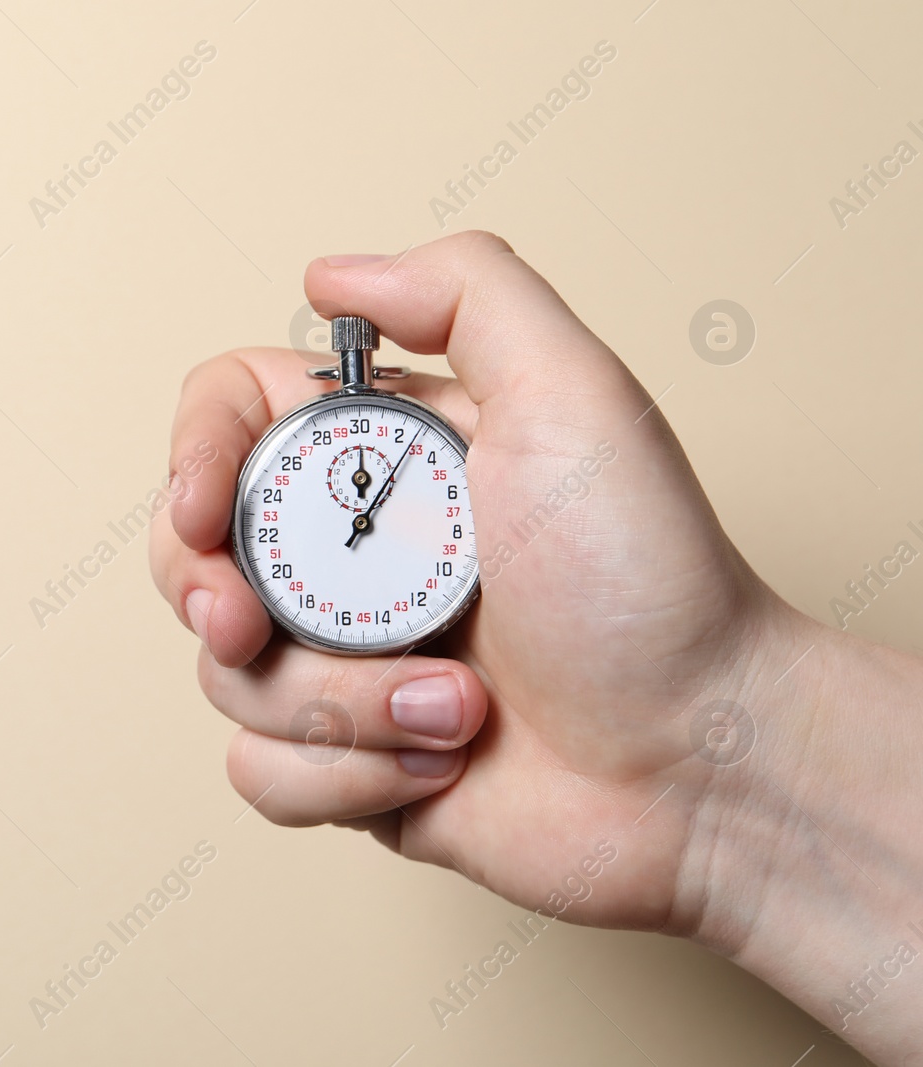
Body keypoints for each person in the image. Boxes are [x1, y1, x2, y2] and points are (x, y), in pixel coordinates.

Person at [149, 231, 922, 1064]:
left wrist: (720, 735)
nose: (363, 519)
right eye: (351, 513)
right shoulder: (314, 468)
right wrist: (722, 779)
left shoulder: (450, 456)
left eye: (369, 508)